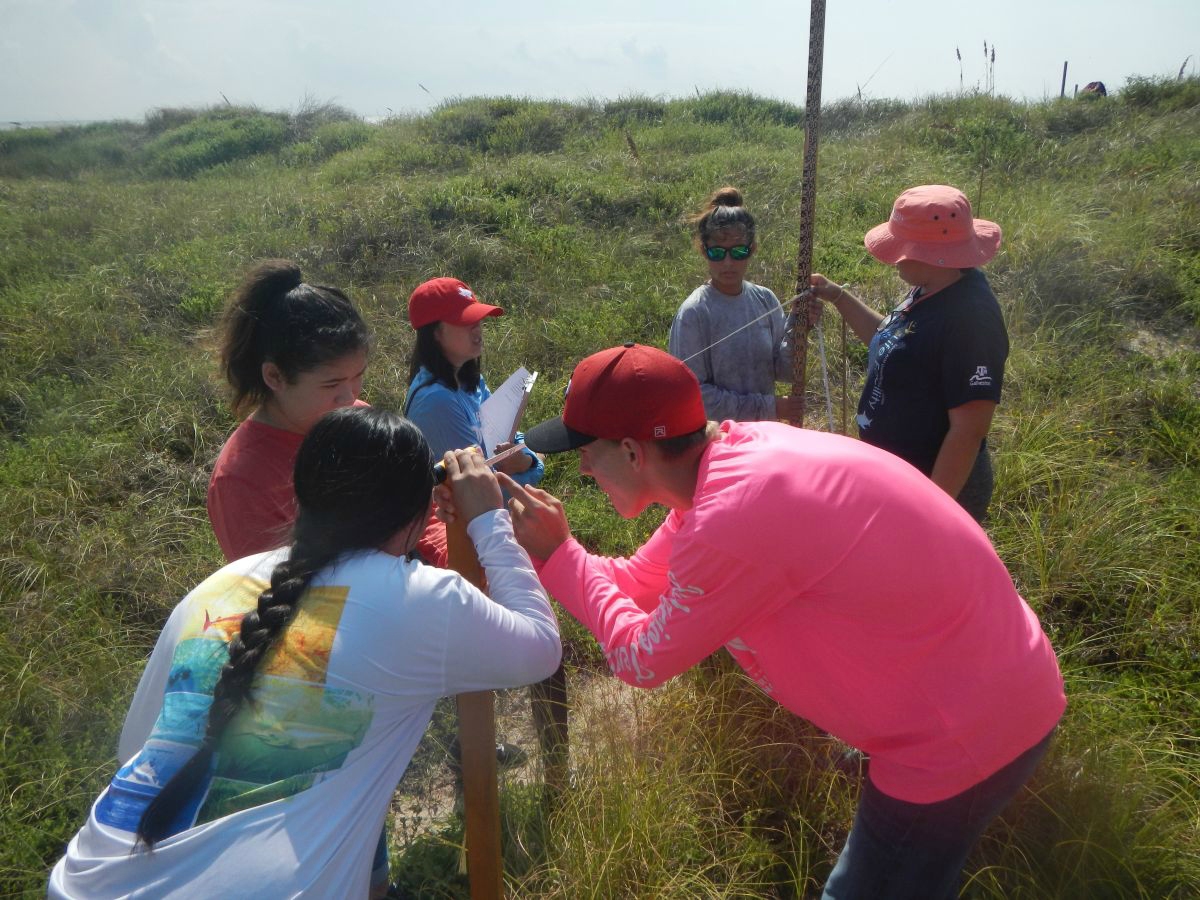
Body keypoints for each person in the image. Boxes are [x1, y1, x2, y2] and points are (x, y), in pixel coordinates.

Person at [482, 343, 1065, 900]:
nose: (582, 468)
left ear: (634, 452)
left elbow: (642, 659)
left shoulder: (731, 519)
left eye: (587, 449)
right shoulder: (730, 465)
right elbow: (636, 581)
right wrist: (540, 548)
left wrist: (562, 556)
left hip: (965, 732)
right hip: (990, 682)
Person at [49, 406, 561, 899]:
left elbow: (136, 750)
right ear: (419, 512)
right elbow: (540, 648)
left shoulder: (219, 586)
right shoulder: (420, 600)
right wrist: (488, 522)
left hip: (84, 877)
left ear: (302, 494)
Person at [207, 258, 447, 566]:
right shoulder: (242, 482)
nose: (351, 398)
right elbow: (272, 589)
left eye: (358, 376)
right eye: (331, 384)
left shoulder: (355, 420)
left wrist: (456, 554)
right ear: (275, 377)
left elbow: (421, 521)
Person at [808, 185, 1008, 521]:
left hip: (937, 490)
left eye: (903, 249)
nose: (894, 258)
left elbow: (968, 431)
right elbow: (889, 339)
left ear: (931, 255)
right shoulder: (931, 288)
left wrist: (930, 511)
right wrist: (838, 297)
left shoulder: (972, 321)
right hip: (902, 478)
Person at [668, 186, 803, 423]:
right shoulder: (694, 313)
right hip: (719, 444)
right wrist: (770, 408)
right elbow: (694, 396)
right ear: (704, 250)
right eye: (718, 253)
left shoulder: (765, 299)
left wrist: (799, 326)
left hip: (766, 438)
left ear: (752, 250)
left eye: (738, 252)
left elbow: (785, 371)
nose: (728, 263)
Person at [405, 276, 544, 488]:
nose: (478, 330)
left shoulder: (469, 379)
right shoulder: (436, 403)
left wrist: (527, 459)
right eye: (465, 322)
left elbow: (504, 432)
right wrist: (534, 465)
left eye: (478, 320)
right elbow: (481, 492)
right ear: (435, 333)